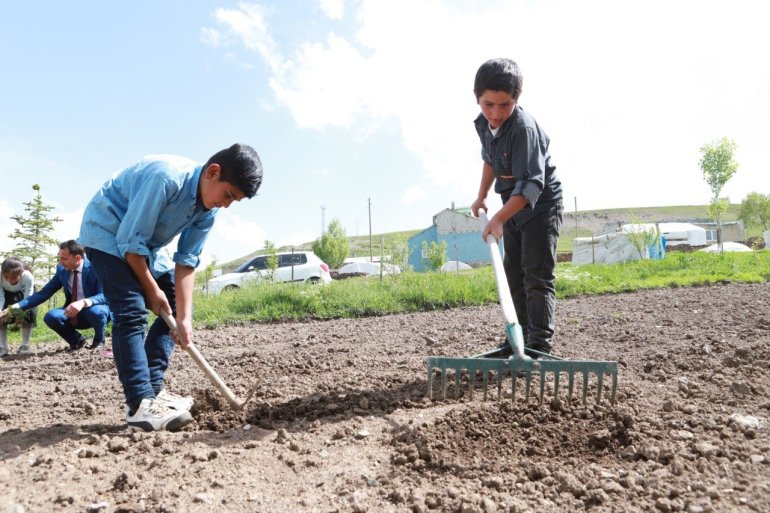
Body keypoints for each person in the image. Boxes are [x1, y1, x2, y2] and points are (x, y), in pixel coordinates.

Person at [79, 143, 263, 432]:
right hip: (107, 233)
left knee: (177, 305)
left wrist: (184, 317)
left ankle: (154, 388)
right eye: (228, 195)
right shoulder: (166, 178)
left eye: (234, 201)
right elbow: (129, 241)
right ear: (213, 172)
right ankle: (139, 403)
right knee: (130, 312)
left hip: (145, 247)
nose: (227, 204)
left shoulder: (207, 211)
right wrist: (151, 290)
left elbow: (187, 263)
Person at [470, 58, 563, 358]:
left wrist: (497, 218)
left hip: (540, 205)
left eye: (505, 105)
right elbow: (489, 159)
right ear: (477, 98)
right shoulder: (485, 124)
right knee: (513, 275)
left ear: (516, 100)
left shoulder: (524, 129)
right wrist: (482, 195)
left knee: (535, 275)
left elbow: (531, 185)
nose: (496, 114)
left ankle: (538, 346)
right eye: (488, 105)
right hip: (510, 204)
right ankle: (516, 340)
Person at [1, 241, 112, 352]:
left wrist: (82, 302)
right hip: (72, 312)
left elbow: (105, 295)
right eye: (59, 257)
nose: (60, 261)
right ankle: (77, 341)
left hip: (95, 310)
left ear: (77, 258)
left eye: (64, 258)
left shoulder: (96, 267)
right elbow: (43, 293)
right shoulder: (62, 270)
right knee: (51, 316)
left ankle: (99, 341)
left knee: (97, 311)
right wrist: (14, 308)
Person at [0, 258, 36, 356]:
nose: (10, 280)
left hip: (24, 294)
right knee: (1, 317)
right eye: (6, 277)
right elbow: (0, 296)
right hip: (5, 294)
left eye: (14, 277)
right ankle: (3, 347)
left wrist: (21, 313)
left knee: (28, 314)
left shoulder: (27, 276)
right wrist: (0, 310)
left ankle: (25, 345)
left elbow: (28, 298)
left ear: (20, 273)